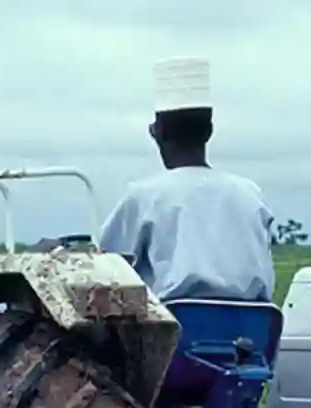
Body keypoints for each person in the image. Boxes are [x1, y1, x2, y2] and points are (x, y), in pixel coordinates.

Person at [97, 57, 277, 304]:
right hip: (252, 335)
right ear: (210, 131)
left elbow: (104, 264)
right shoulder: (250, 194)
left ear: (156, 132)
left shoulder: (144, 196)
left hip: (175, 334)